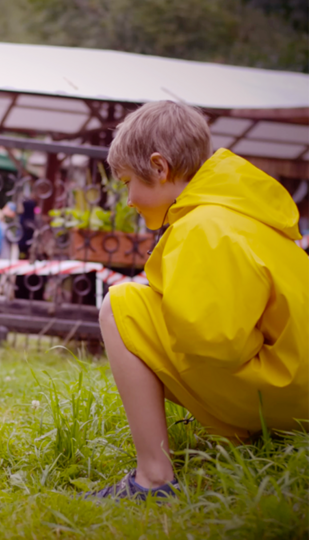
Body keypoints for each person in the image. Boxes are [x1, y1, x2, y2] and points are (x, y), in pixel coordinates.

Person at [91, 101, 309, 500]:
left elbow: (215, 345)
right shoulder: (243, 211)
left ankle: (153, 478)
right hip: (296, 386)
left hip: (281, 396)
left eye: (126, 183)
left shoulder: (202, 226)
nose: (128, 200)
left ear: (160, 168)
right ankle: (247, 444)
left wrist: (155, 344)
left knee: (121, 306)